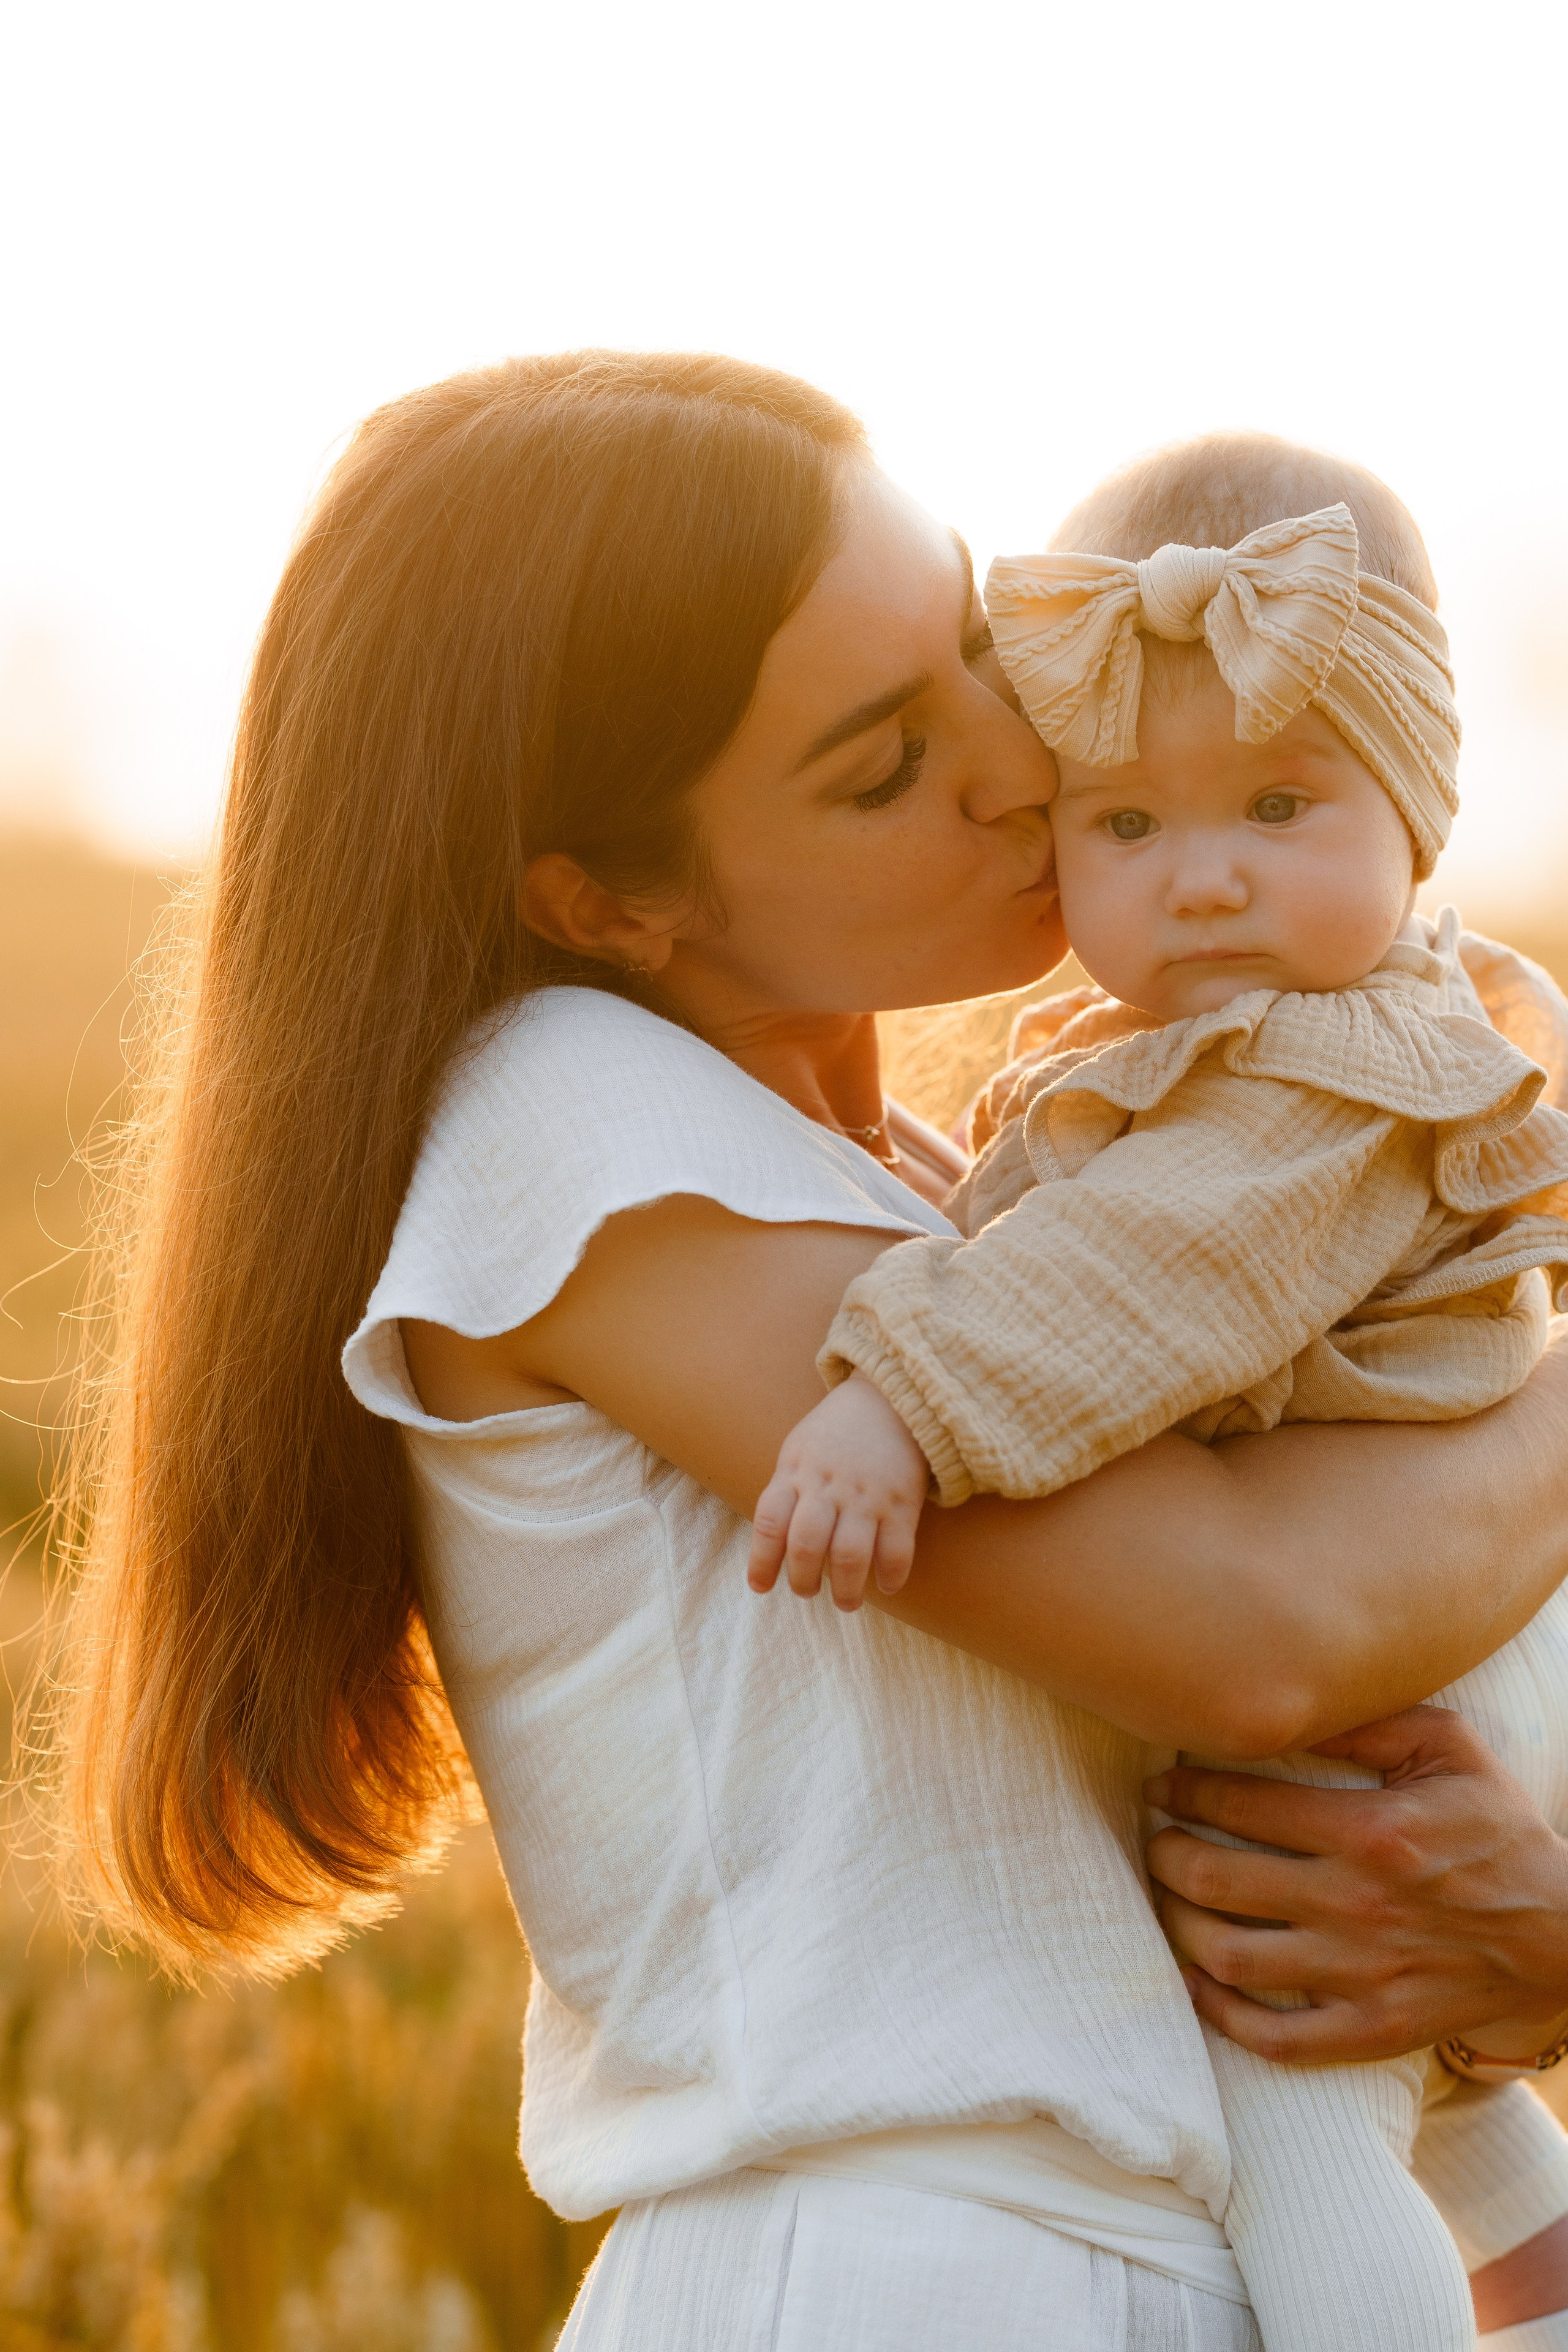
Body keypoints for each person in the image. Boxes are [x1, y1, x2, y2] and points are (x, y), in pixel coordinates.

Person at [53, 355, 1568, 2352]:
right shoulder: (572, 1124)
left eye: (973, 643)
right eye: (881, 764)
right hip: (901, 2275)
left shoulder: (935, 1182)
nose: (1019, 766)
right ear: (610, 897)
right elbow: (1265, 1623)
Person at [748, 435, 1568, 2350]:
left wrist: (902, 1398)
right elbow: (1114, 1224)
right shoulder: (1250, 1033)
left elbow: (1146, 1278)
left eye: (1279, 805)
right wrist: (971, 1203)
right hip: (1430, 1605)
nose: (1201, 882)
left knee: (1288, 2116)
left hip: (1434, 1637)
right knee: (1402, 2050)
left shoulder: (1335, 1071)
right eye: (1123, 824)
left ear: (1419, 814)